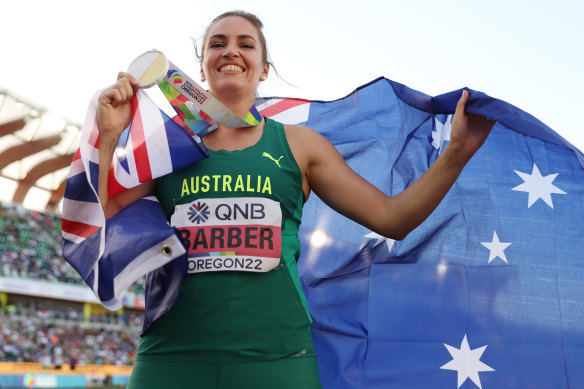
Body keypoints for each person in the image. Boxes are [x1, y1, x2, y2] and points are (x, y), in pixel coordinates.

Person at [96, 10, 495, 389]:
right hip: (170, 356)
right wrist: (109, 138)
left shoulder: (299, 145)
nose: (231, 50)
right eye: (217, 44)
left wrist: (455, 153)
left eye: (246, 44)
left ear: (264, 69)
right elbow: (102, 217)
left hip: (279, 358)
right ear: (201, 67)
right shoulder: (164, 146)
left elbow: (392, 217)